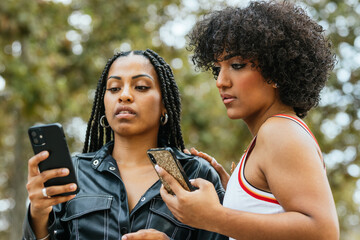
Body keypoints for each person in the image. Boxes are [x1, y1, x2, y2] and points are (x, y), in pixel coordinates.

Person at [156, 1, 340, 240]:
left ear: (276, 72)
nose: (221, 81)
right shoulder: (271, 136)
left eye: (237, 65)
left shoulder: (280, 131)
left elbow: (322, 232)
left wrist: (212, 216)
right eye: (216, 69)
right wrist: (236, 191)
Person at [22, 49, 227, 240]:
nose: (124, 95)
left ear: (165, 105)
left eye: (141, 87)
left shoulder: (196, 174)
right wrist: (38, 213)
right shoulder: (73, 174)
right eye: (114, 88)